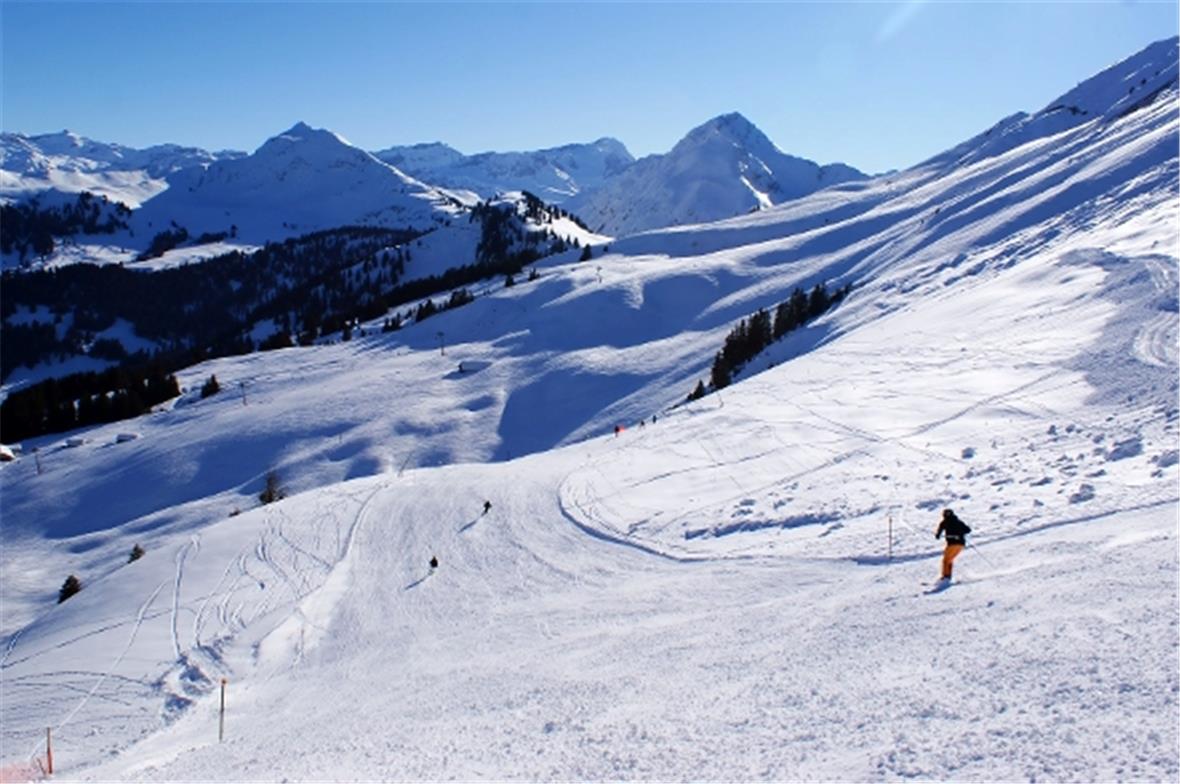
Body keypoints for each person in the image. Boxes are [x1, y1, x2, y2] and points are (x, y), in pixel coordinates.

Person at [934, 508, 971, 580]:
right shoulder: (958, 521)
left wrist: (938, 535)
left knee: (946, 560)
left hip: (952, 544)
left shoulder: (944, 522)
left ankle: (945, 576)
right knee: (949, 559)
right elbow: (968, 530)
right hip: (960, 544)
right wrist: (960, 533)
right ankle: (948, 575)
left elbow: (939, 532)